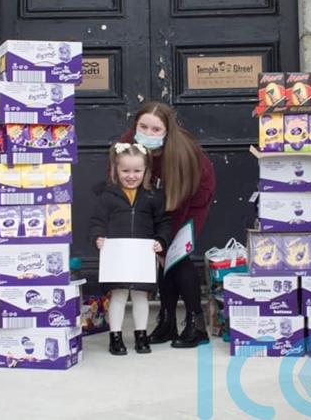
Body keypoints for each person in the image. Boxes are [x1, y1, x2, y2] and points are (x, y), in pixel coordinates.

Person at [119, 101, 216, 348]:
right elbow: (120, 173)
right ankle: (167, 321)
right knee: (160, 257)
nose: (148, 134)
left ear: (167, 130)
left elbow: (185, 198)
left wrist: (168, 239)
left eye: (156, 129)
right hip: (157, 202)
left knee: (176, 257)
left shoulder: (183, 152)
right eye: (144, 127)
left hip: (190, 201)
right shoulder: (129, 142)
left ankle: (196, 326)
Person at [89, 143, 172, 355]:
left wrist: (161, 240)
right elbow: (97, 221)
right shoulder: (107, 196)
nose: (131, 176)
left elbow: (163, 222)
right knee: (117, 296)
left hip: (142, 257)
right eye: (125, 170)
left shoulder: (153, 196)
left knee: (140, 297)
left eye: (137, 171)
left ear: (146, 170)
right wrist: (98, 237)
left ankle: (141, 335)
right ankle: (115, 336)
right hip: (116, 256)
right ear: (116, 169)